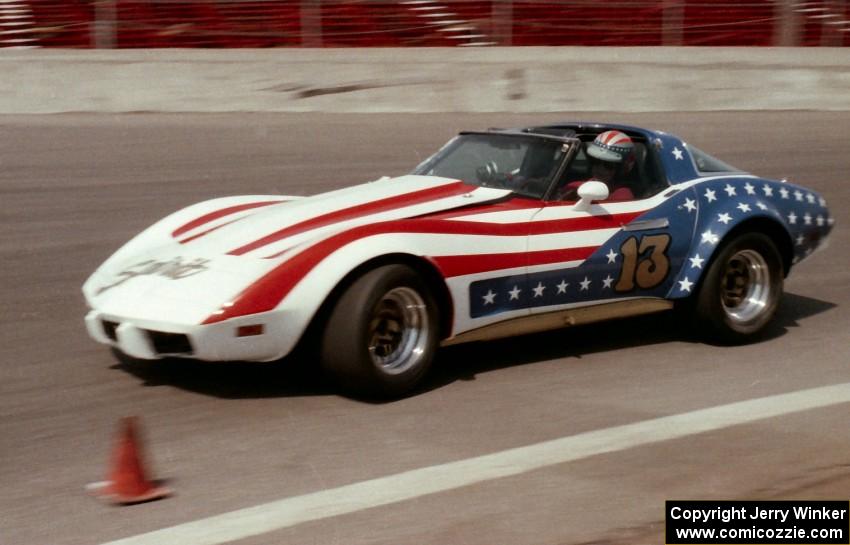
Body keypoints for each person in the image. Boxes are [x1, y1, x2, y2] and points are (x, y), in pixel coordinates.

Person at [557, 130, 636, 201]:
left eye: (608, 165)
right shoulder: (573, 187)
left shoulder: (622, 196)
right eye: (596, 161)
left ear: (621, 168)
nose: (600, 169)